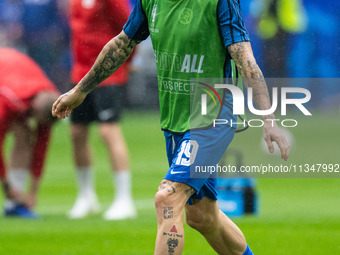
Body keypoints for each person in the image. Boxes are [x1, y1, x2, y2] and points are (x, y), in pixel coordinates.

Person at [53, 0, 290, 254]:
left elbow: (244, 58)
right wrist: (80, 91)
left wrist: (269, 119)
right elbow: (122, 43)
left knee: (167, 198)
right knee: (202, 216)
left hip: (212, 117)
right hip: (175, 121)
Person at [67, 0, 136, 220]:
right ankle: (86, 196)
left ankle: (124, 199)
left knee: (108, 131)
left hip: (108, 74)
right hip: (80, 74)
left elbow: (131, 29)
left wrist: (128, 60)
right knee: (76, 133)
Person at [0, 48, 59, 218]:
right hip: (6, 78)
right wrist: (6, 186)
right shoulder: (9, 99)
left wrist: (33, 191)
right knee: (23, 133)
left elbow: (41, 147)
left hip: (11, 71)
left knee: (24, 135)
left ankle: (14, 204)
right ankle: (14, 196)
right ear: (33, 109)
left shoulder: (50, 102)